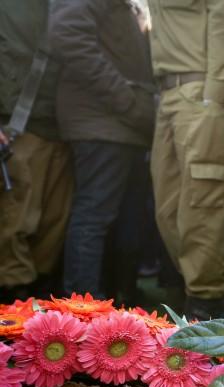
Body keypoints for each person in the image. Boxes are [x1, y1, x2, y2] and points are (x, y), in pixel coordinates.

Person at [49, 0, 155, 301]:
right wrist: (125, 98)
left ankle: (115, 303)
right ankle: (83, 307)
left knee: (123, 220)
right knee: (93, 217)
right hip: (102, 123)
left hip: (123, 126)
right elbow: (67, 34)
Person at [147, 0, 224, 320]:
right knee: (167, 206)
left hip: (199, 89)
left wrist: (213, 97)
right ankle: (192, 283)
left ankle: (206, 301)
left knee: (201, 202)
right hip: (167, 94)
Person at [0, 1, 73, 303]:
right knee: (15, 224)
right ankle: (11, 310)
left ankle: (34, 312)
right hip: (16, 128)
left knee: (53, 226)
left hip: (64, 129)